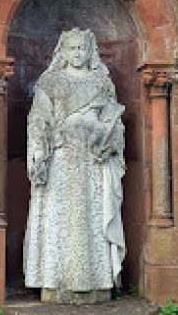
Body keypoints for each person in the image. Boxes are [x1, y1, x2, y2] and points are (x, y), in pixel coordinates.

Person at [23, 28, 126, 303]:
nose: (78, 53)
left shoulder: (101, 82)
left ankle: (97, 283)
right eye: (72, 49)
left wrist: (110, 140)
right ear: (63, 52)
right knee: (60, 217)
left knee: (93, 217)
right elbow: (38, 121)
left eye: (82, 48)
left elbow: (115, 120)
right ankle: (55, 283)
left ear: (90, 51)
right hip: (61, 160)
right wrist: (37, 151)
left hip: (93, 162)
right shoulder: (51, 82)